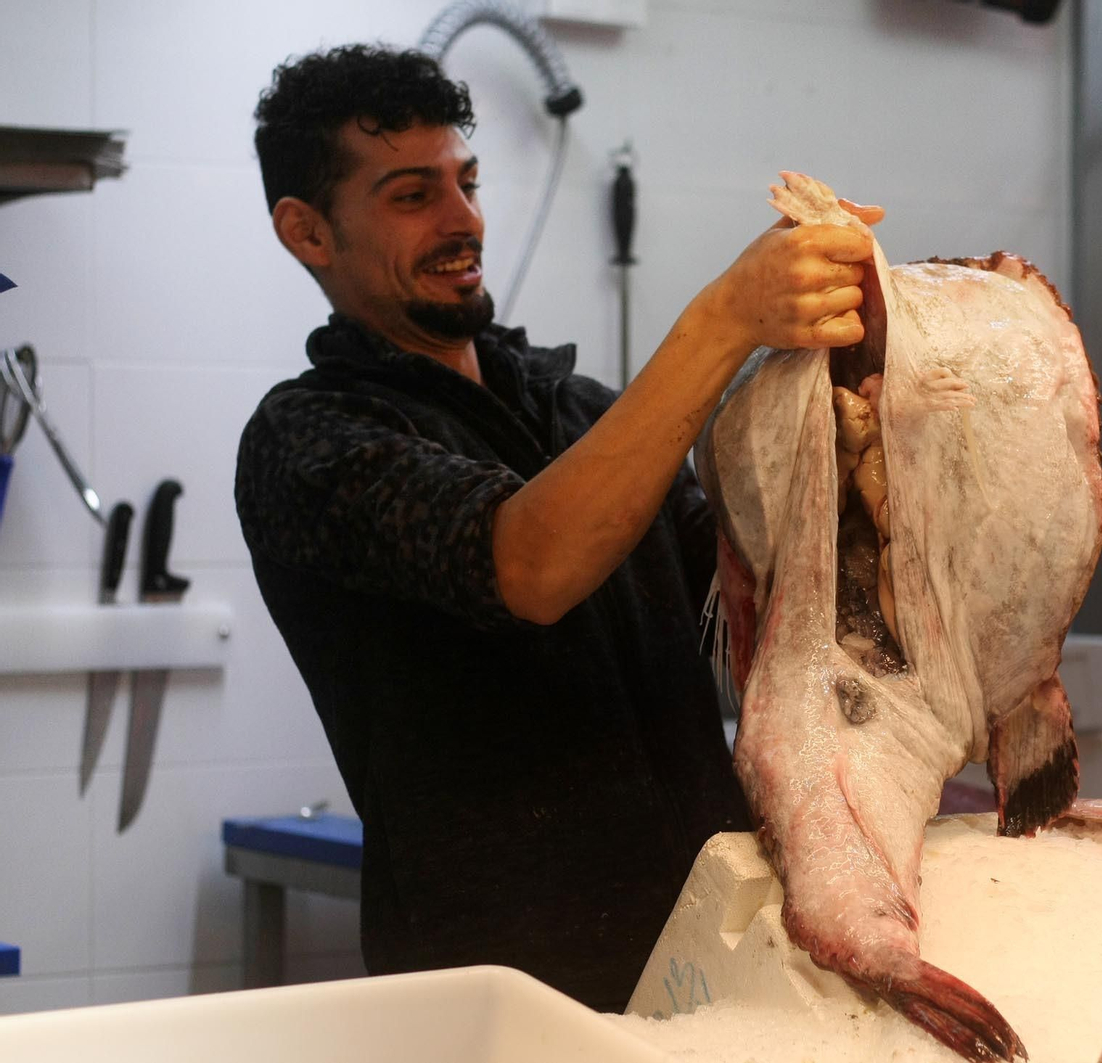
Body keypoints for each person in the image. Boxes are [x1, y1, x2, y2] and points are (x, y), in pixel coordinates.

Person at [234, 44, 882, 1011]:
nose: (465, 222)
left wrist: (840, 448)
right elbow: (530, 562)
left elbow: (760, 593)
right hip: (503, 999)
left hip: (716, 961)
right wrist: (724, 319)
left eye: (468, 183)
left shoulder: (574, 409)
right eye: (413, 196)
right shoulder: (307, 439)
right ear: (307, 231)